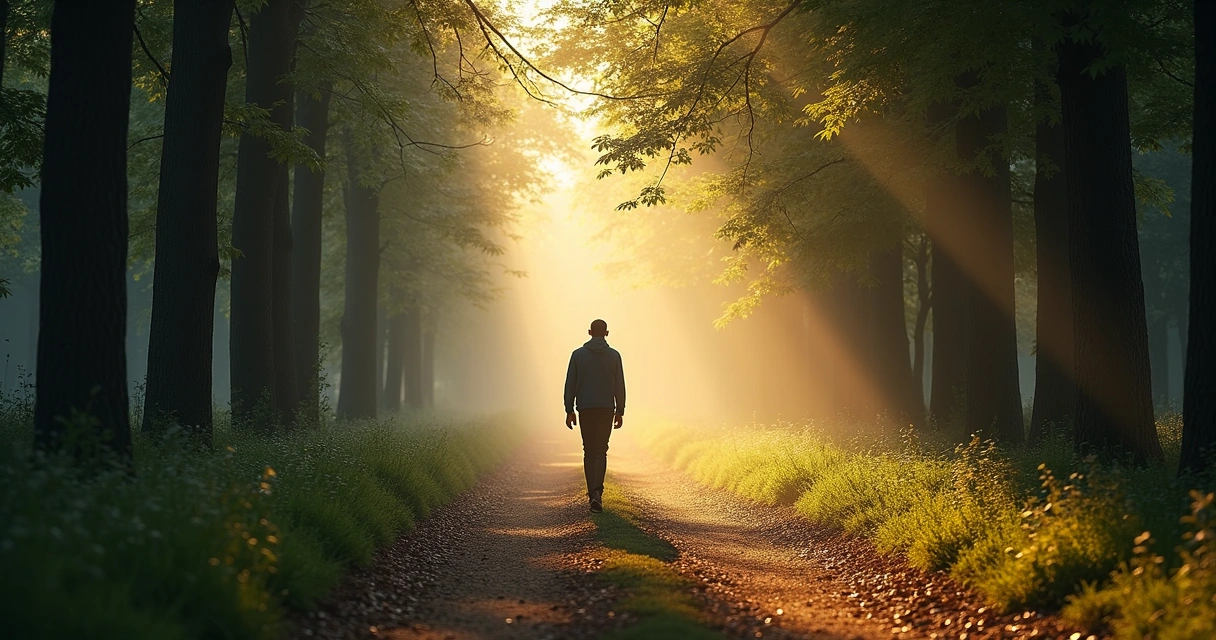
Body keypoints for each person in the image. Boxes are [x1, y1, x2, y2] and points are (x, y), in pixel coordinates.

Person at [563, 318, 626, 513]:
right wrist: (620, 410)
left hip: (586, 408)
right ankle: (597, 492)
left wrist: (569, 410)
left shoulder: (577, 355)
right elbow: (620, 386)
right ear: (606, 333)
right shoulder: (614, 356)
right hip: (606, 408)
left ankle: (593, 493)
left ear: (589, 332)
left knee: (588, 451)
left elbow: (570, 384)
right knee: (601, 450)